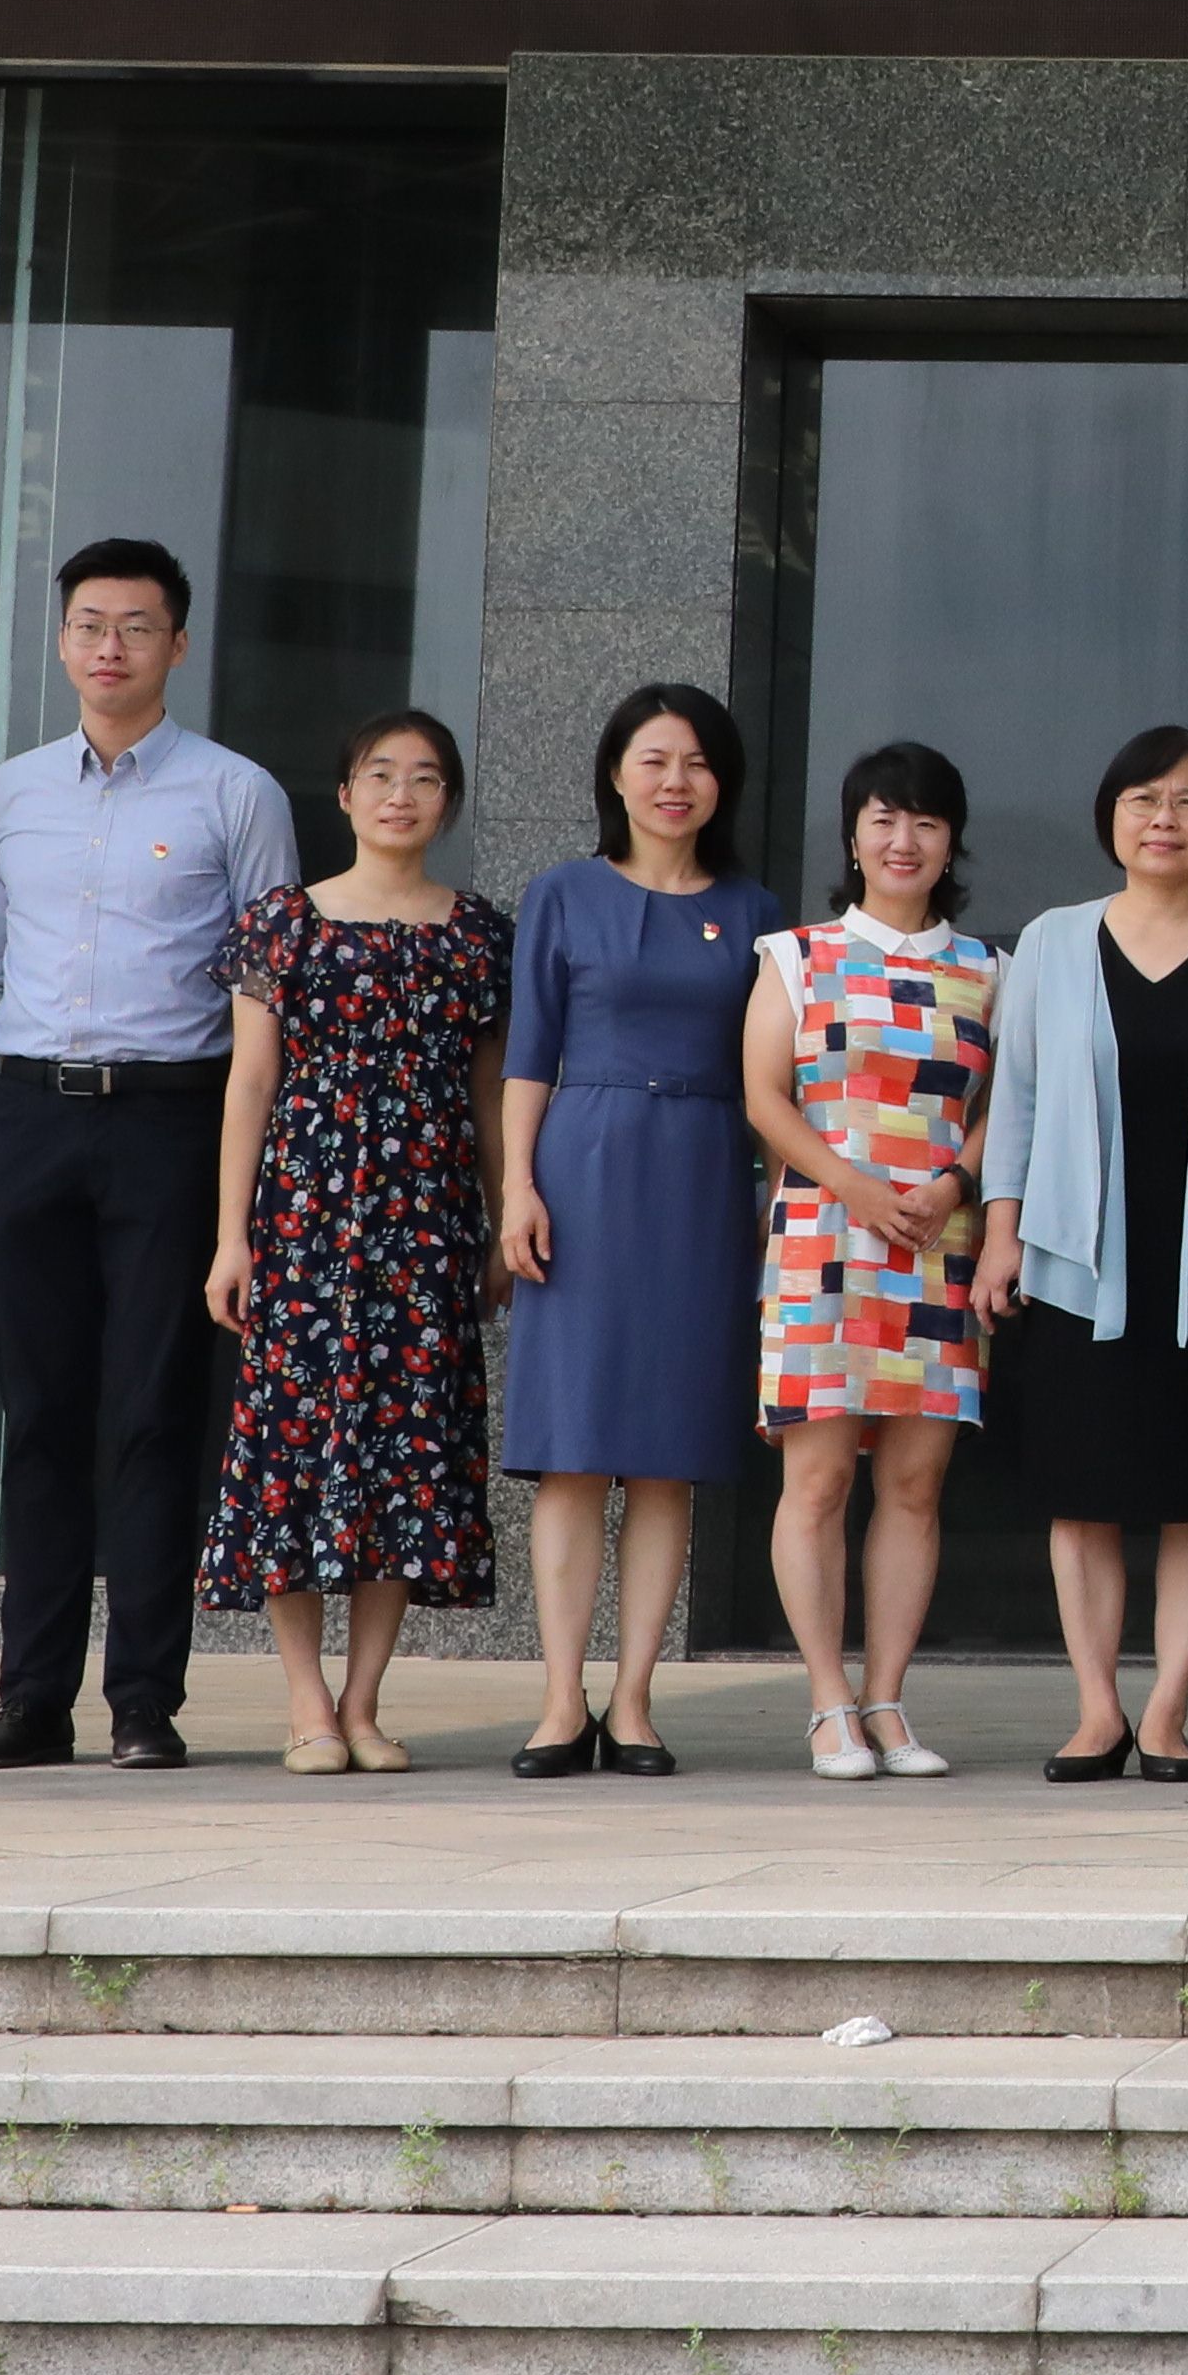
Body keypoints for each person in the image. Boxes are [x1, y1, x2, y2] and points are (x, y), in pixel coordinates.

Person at [0, 538, 299, 1774]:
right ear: (62, 642)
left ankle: (145, 1698)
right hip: (35, 1112)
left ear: (177, 645)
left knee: (155, 1412)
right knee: (40, 1413)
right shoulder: (9, 797)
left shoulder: (236, 793)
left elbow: (270, 977)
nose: (111, 646)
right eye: (90, 624)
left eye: (137, 626)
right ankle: (30, 1697)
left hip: (171, 1118)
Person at [197, 710, 510, 1775]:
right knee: (291, 1446)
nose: (400, 795)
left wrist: (499, 1219)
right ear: (344, 795)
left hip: (426, 1223)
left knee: (406, 1454)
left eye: (424, 778)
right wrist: (231, 1237)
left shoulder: (478, 934)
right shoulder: (283, 923)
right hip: (303, 1220)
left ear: (447, 803)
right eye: (380, 774)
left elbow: (488, 1093)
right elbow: (249, 1085)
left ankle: (366, 1701)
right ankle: (306, 1704)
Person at [975, 728, 1188, 1781]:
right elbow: (1015, 1098)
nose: (1164, 819)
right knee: (1084, 1489)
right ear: (1111, 814)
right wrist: (1001, 1235)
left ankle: (1169, 1709)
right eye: (1144, 798)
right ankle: (1097, 1709)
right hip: (1074, 1257)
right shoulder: (1052, 942)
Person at [498, 682, 775, 1778]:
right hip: (583, 1164)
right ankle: (559, 1700)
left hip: (703, 1174)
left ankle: (635, 1700)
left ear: (722, 782)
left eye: (697, 762)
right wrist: (517, 1185)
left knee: (668, 1457)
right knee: (573, 1452)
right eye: (654, 759)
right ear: (615, 774)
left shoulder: (756, 912)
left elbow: (776, 1074)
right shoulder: (562, 893)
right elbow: (530, 1055)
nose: (675, 781)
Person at [752, 742, 997, 1786]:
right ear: (853, 836)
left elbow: (1001, 1108)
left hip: (938, 1245)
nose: (905, 841)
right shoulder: (797, 954)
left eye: (926, 823)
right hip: (824, 1237)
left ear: (951, 843)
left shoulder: (987, 968)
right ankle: (827, 1702)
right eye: (884, 820)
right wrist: (852, 1185)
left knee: (914, 1481)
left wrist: (953, 1182)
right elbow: (765, 1096)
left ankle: (888, 1699)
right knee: (816, 1480)